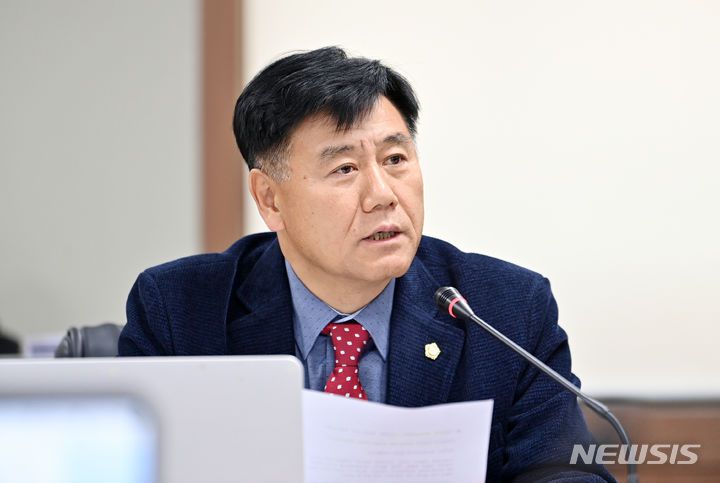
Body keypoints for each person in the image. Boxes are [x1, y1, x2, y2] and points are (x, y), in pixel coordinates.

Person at [119, 47, 614, 482]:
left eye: (395, 159)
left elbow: (565, 472)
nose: (382, 195)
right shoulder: (180, 311)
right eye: (345, 168)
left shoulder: (506, 310)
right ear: (270, 199)